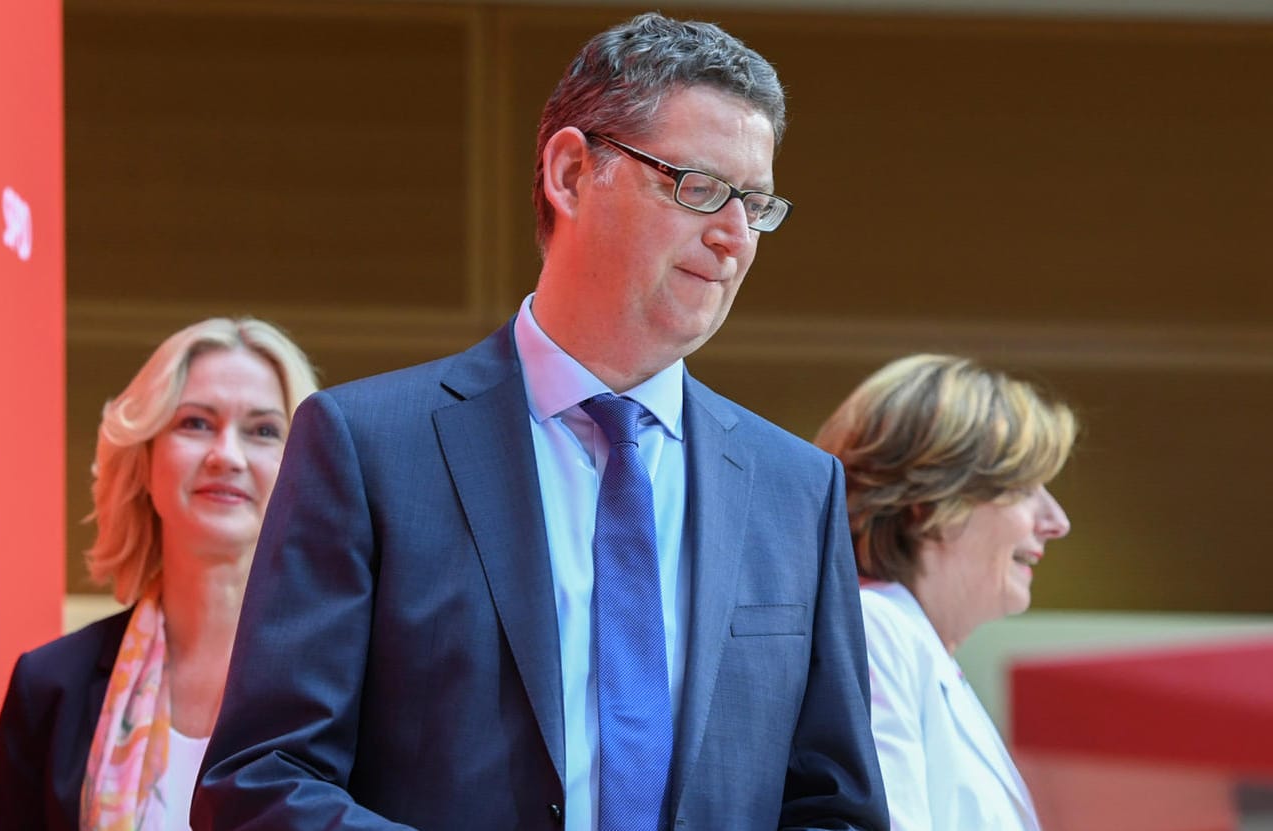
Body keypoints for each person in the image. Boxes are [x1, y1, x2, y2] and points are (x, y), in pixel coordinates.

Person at [194, 12, 887, 831]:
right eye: (699, 187)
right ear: (568, 172)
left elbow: (835, 808)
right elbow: (262, 781)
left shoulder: (796, 489)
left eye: (758, 205)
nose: (735, 235)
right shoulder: (369, 446)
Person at [0, 317, 318, 831]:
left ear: (305, 469)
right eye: (196, 423)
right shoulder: (51, 687)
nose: (225, 455)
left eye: (264, 431)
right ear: (144, 460)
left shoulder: (355, 683)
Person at [814, 354, 1077, 831]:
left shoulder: (914, 646)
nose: (1057, 522)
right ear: (929, 502)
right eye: (1024, 488)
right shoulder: (876, 631)